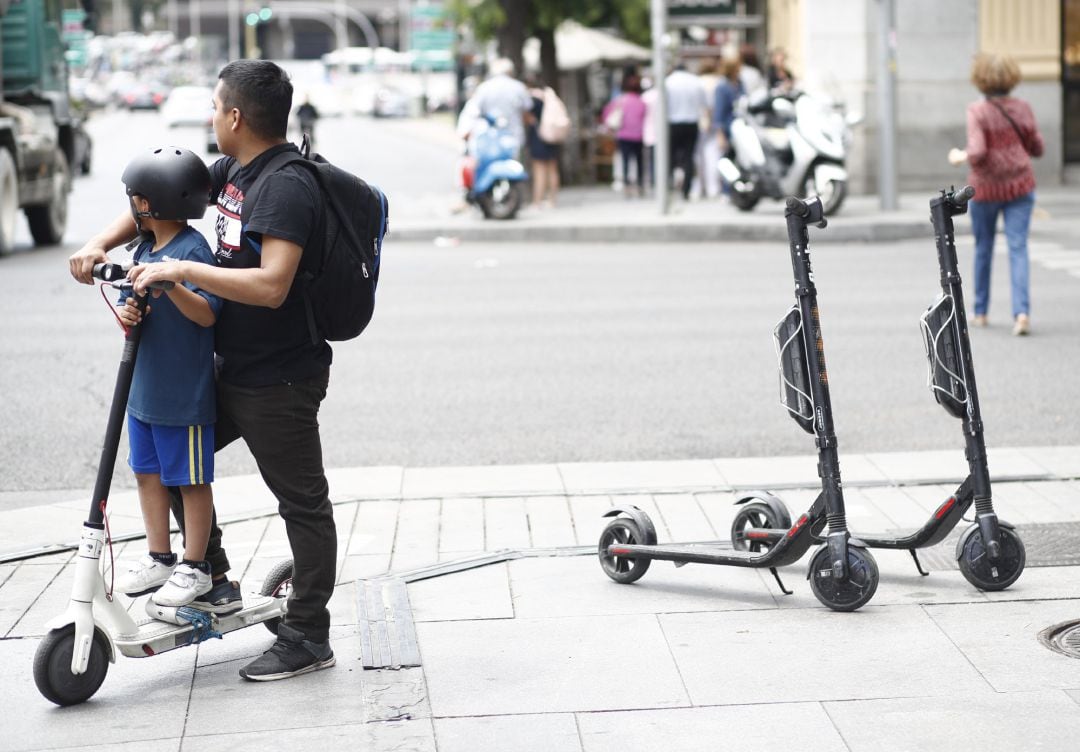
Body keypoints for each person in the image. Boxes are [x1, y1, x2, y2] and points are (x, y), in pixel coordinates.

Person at [70, 59, 338, 683]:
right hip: (226, 366)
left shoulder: (286, 186)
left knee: (301, 502)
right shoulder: (231, 173)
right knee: (173, 460)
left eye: (216, 107)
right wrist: (98, 245)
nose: (211, 117)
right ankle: (207, 575)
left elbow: (272, 286)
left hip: (280, 377)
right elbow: (156, 206)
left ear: (236, 117)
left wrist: (183, 271)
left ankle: (307, 633)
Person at [111, 147, 222, 609]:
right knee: (147, 474)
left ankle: (196, 566)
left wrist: (172, 283)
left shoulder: (191, 251)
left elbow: (207, 315)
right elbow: (127, 310)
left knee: (191, 481)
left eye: (134, 198)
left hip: (183, 396)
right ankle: (160, 555)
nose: (131, 206)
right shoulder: (143, 247)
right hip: (143, 392)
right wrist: (128, 310)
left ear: (150, 204)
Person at [948, 53, 1044, 336]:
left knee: (984, 247)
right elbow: (1037, 147)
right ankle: (1022, 313)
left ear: (981, 80)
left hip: (986, 189)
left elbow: (977, 151)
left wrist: (959, 155)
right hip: (1020, 186)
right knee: (1017, 248)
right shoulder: (1023, 108)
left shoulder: (978, 111)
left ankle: (981, 311)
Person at [665, 62, 707, 200]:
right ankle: (686, 190)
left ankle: (668, 187)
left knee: (670, 157)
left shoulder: (668, 82)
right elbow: (704, 104)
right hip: (691, 122)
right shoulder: (695, 81)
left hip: (673, 123)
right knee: (689, 157)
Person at [601, 71, 647, 197]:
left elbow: (606, 114)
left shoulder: (620, 101)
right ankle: (640, 185)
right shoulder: (641, 102)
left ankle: (627, 185)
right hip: (639, 136)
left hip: (624, 135)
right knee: (639, 161)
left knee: (626, 161)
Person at [472, 57, 532, 152]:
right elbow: (527, 112)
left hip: (489, 136)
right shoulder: (519, 87)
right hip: (514, 136)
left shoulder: (484, 87)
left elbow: (476, 111)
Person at [525, 75, 561, 208]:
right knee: (552, 169)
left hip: (538, 136)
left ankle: (537, 201)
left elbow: (528, 118)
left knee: (539, 169)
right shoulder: (549, 95)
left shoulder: (532, 99)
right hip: (552, 135)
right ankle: (552, 200)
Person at [713, 56, 745, 179]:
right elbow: (719, 111)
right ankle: (727, 190)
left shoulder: (740, 84)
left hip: (740, 126)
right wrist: (720, 134)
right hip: (727, 126)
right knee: (728, 158)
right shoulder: (722, 87)